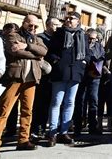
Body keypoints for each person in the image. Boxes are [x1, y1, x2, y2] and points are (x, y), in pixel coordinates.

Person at [0, 14, 47, 156]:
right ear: (24, 23)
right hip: (15, 78)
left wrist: (27, 46)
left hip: (31, 79)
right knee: (3, 110)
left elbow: (44, 51)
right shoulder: (13, 35)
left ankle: (23, 140)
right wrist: (35, 54)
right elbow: (15, 51)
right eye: (30, 25)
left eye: (35, 26)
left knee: (27, 110)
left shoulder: (37, 39)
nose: (33, 28)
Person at [46, 12, 88, 146]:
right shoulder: (59, 33)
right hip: (60, 72)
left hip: (75, 73)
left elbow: (87, 53)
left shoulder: (83, 35)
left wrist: (84, 63)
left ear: (78, 21)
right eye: (67, 18)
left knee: (70, 102)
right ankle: (52, 133)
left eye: (72, 19)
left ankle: (64, 132)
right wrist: (55, 61)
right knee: (56, 102)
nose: (69, 20)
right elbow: (50, 51)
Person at [31, 17, 61, 139]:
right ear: (48, 25)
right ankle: (37, 129)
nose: (57, 27)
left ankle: (47, 128)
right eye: (55, 25)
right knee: (40, 103)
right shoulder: (40, 37)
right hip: (42, 74)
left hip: (55, 75)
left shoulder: (58, 38)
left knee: (51, 103)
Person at [73, 29, 105, 136]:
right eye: (90, 38)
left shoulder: (99, 46)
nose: (92, 41)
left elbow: (102, 57)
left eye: (94, 39)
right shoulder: (82, 44)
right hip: (82, 75)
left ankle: (92, 126)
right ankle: (78, 126)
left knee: (93, 100)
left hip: (95, 76)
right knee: (80, 100)